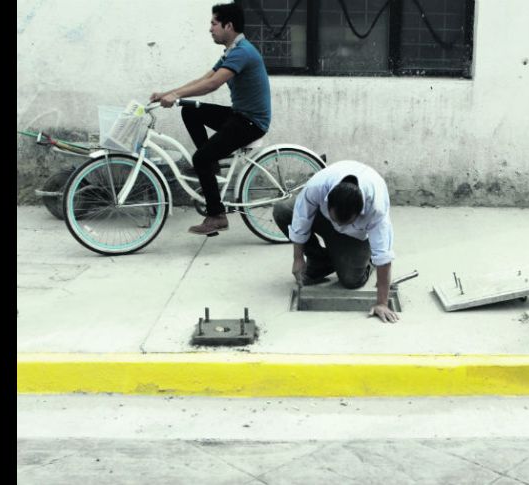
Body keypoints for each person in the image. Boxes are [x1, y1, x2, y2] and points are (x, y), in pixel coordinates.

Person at [150, 2, 271, 235]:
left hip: (251, 123)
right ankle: (211, 164)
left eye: (214, 23)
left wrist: (175, 95)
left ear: (229, 25)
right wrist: (169, 94)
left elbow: (212, 85)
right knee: (190, 109)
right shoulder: (232, 51)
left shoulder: (242, 52)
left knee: (200, 159)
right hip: (239, 115)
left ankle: (216, 215)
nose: (210, 29)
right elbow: (203, 79)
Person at [273, 160, 398, 323]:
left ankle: (366, 260)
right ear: (328, 201)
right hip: (323, 219)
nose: (338, 225)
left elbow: (384, 255)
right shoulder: (317, 187)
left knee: (351, 281)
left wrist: (382, 303)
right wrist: (298, 258)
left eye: (344, 222)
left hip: (355, 235)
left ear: (359, 212)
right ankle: (320, 261)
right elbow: (300, 219)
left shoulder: (376, 207)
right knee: (283, 210)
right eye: (336, 219)